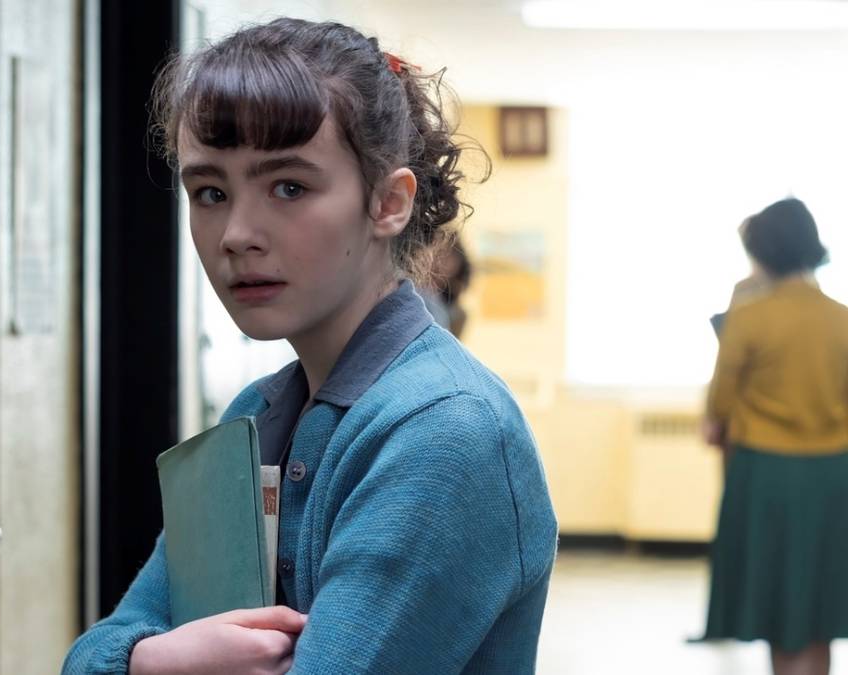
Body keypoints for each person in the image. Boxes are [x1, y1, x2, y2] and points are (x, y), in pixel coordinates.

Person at [64, 18, 557, 674]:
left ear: (388, 202)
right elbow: (96, 649)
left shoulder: (447, 431)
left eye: (288, 187)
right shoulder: (255, 415)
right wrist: (148, 661)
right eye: (210, 192)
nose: (236, 233)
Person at [700, 198, 848, 675]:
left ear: (762, 253)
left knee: (778, 604)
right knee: (821, 606)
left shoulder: (749, 316)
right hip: (834, 477)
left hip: (765, 475)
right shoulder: (842, 319)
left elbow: (720, 403)